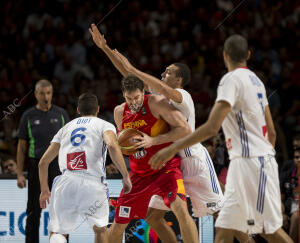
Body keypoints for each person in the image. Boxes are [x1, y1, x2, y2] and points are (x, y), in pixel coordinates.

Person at [148, 35, 293, 243]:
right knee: (229, 226)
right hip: (260, 158)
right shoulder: (257, 82)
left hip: (244, 159)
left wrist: (173, 147)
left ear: (225, 56)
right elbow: (272, 132)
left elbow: (212, 127)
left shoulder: (230, 80)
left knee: (263, 229)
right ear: (249, 55)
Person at [89, 23, 223, 242]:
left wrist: (132, 70)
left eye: (167, 72)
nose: (162, 73)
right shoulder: (152, 99)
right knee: (153, 216)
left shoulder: (181, 94)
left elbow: (136, 75)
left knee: (219, 212)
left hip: (192, 158)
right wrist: (105, 48)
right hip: (167, 159)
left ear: (178, 79)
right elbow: (128, 75)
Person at [108, 75, 198, 243]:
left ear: (143, 92)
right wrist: (126, 149)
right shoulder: (119, 112)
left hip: (165, 168)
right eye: (129, 98)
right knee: (118, 224)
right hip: (139, 174)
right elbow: (124, 146)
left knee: (180, 209)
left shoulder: (156, 102)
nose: (133, 102)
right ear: (123, 95)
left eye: (136, 97)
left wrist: (152, 141)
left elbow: (184, 129)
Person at [39, 92, 132, 243]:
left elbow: (43, 162)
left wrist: (44, 190)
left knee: (58, 233)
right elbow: (112, 146)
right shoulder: (105, 125)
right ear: (98, 109)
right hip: (92, 183)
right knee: (100, 229)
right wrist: (125, 176)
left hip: (65, 182)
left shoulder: (65, 128)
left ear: (78, 110)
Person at [16, 79, 70, 243]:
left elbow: (69, 144)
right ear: (36, 94)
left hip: (57, 167)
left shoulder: (61, 114)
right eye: (42, 93)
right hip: (35, 166)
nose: (45, 96)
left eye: (48, 93)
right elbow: (21, 147)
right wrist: (19, 173)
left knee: (61, 209)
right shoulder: (28, 115)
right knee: (33, 210)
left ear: (52, 94)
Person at [280, 149, 299, 242]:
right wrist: (282, 213)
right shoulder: (287, 176)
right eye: (297, 157)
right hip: (288, 209)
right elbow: (281, 198)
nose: (299, 159)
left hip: (297, 212)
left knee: (296, 217)